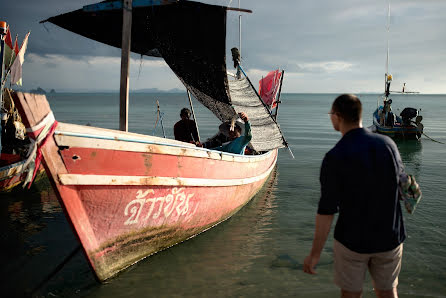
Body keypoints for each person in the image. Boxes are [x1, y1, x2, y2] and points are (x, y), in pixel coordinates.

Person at [303, 94, 407, 298]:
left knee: (351, 294)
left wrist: (315, 254)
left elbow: (327, 211)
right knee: (387, 292)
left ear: (338, 116)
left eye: (331, 113)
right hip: (390, 236)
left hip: (352, 241)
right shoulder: (388, 144)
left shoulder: (334, 157)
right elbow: (403, 186)